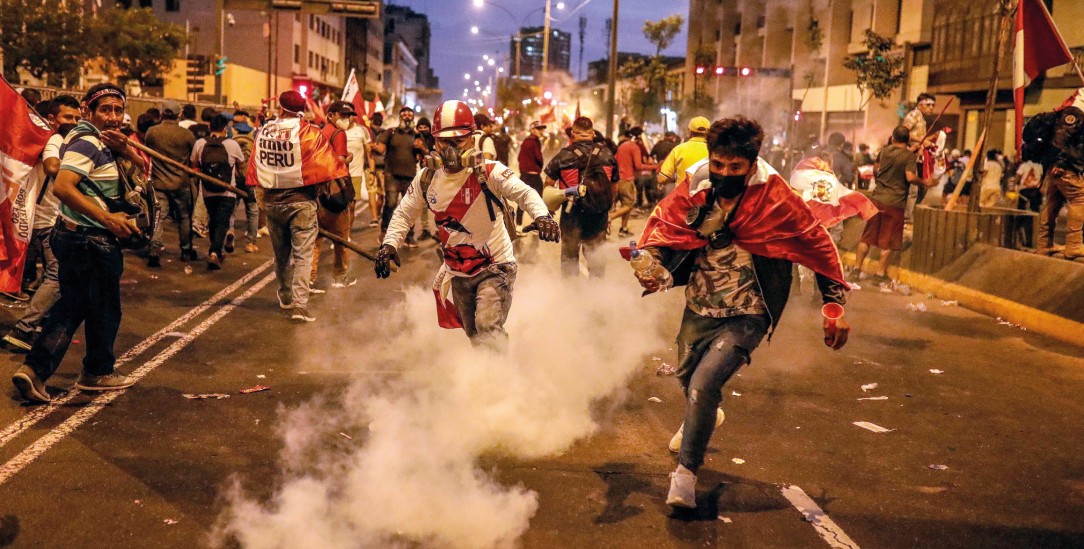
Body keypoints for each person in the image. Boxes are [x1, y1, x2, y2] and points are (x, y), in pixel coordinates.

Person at [628, 116, 850, 509]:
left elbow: (816, 243)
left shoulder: (775, 196)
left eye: (735, 167)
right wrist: (654, 264)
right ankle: (706, 415)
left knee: (702, 384)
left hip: (750, 309)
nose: (724, 173)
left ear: (751, 164)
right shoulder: (697, 185)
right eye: (718, 165)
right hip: (699, 305)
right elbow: (665, 227)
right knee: (687, 380)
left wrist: (833, 306)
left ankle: (685, 476)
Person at [375, 100, 559, 348]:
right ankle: (483, 378)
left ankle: (499, 382)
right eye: (443, 141)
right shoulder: (426, 177)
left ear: (472, 139)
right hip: (458, 271)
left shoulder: (490, 171)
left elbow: (525, 194)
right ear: (434, 141)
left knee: (488, 327)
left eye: (458, 140)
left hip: (496, 265)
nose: (450, 149)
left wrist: (542, 216)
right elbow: (404, 214)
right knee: (473, 334)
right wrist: (389, 244)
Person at [11, 83, 148, 403]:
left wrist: (126, 149)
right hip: (89, 240)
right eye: (105, 110)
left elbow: (144, 170)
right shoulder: (86, 143)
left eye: (118, 110)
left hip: (84, 238)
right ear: (89, 111)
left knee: (77, 306)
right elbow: (62, 186)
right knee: (103, 310)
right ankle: (94, 372)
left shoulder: (107, 143)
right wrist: (107, 218)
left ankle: (36, 371)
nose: (113, 117)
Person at [246, 90, 349, 323]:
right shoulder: (310, 133)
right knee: (303, 256)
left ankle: (285, 297)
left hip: (272, 202)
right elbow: (327, 167)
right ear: (302, 108)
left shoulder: (264, 131)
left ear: (281, 107)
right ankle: (300, 305)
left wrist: (261, 198)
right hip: (302, 202)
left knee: (281, 255)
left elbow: (256, 165)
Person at [3, 96, 81, 351]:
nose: (74, 122)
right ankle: (24, 329)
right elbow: (51, 166)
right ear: (52, 119)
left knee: (58, 276)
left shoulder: (59, 139)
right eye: (68, 117)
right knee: (58, 275)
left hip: (41, 219)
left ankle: (39, 325)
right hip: (47, 220)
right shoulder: (55, 140)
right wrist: (79, 169)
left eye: (78, 118)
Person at [852, 126, 936, 285]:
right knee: (888, 241)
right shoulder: (908, 156)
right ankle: (879, 274)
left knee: (867, 237)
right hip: (895, 203)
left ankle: (856, 270)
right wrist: (924, 182)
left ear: (893, 137)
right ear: (908, 140)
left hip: (876, 199)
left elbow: (876, 170)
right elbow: (910, 177)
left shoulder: (884, 151)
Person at [543, 116, 618, 278]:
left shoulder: (564, 155)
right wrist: (606, 206)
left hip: (572, 213)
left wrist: (551, 207)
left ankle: (572, 296)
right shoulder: (607, 154)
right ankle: (595, 295)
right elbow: (614, 186)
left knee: (569, 256)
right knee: (596, 256)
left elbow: (548, 184)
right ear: (592, 134)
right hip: (599, 214)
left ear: (573, 135)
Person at [310, 100, 357, 289]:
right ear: (331, 115)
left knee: (315, 240)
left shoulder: (320, 133)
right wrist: (348, 158)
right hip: (334, 194)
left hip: (317, 192)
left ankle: (310, 278)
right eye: (342, 115)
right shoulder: (339, 134)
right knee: (340, 239)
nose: (346, 120)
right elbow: (337, 163)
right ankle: (339, 276)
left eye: (348, 116)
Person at [144, 100, 197, 265]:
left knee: (158, 217)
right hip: (181, 183)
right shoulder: (187, 135)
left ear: (162, 114)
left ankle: (154, 248)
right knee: (184, 217)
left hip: (159, 183)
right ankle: (186, 250)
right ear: (178, 115)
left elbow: (148, 149)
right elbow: (193, 156)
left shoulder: (152, 132)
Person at [191, 114, 244, 270]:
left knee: (214, 220)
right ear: (225, 128)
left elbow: (194, 163)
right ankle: (214, 252)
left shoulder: (200, 143)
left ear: (209, 127)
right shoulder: (232, 145)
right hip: (228, 192)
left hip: (207, 190)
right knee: (222, 222)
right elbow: (241, 165)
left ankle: (216, 251)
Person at [372, 106, 420, 245]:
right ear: (400, 116)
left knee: (409, 207)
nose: (407, 115)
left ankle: (409, 236)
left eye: (409, 113)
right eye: (404, 113)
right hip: (391, 175)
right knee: (391, 204)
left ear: (412, 117)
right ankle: (385, 232)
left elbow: (423, 153)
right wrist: (374, 147)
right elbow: (381, 148)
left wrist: (421, 147)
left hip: (410, 176)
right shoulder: (391, 132)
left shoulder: (416, 134)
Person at [613, 127, 656, 236]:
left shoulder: (622, 146)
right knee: (629, 205)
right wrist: (655, 166)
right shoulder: (634, 147)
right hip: (627, 179)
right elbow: (639, 165)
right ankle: (610, 218)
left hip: (618, 179)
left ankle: (624, 229)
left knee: (623, 205)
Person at [657, 117, 711, 196]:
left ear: (690, 132)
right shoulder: (714, 150)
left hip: (683, 200)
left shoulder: (678, 150)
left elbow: (662, 178)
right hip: (707, 199)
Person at [517, 121, 546, 225]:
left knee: (522, 200)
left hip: (524, 175)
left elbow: (519, 158)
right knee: (538, 201)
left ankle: (518, 225)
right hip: (534, 176)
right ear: (533, 130)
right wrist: (539, 166)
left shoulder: (526, 141)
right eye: (539, 129)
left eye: (542, 129)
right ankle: (537, 224)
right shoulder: (534, 141)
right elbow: (539, 158)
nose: (541, 131)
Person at [366, 112, 386, 228]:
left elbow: (383, 149)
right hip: (370, 167)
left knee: (380, 194)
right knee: (373, 192)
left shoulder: (384, 133)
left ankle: (377, 215)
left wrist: (378, 147)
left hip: (381, 167)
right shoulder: (367, 132)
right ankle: (374, 217)